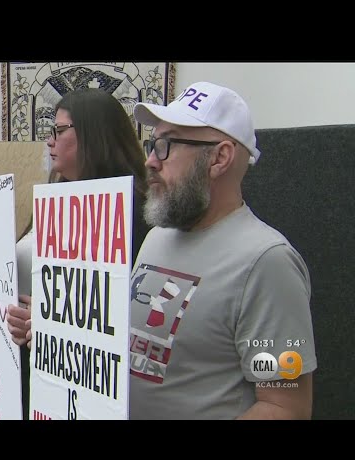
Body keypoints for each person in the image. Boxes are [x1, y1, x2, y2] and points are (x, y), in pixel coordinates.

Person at [129, 81, 317, 419]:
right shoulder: (157, 236)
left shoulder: (267, 261)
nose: (150, 161)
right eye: (152, 144)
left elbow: (285, 406)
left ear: (220, 157)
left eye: (166, 145)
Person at [6, 88, 151, 418]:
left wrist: (52, 325)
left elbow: (124, 310)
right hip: (38, 370)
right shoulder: (54, 200)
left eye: (59, 130)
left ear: (93, 135)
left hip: (93, 388)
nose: (50, 141)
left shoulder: (136, 212)